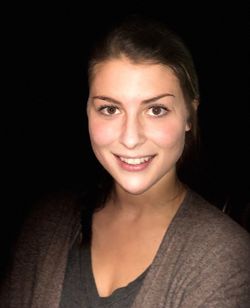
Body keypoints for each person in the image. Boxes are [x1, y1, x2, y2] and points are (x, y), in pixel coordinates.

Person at [1, 14, 250, 308]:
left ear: (188, 115)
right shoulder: (46, 223)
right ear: (87, 111)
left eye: (156, 110)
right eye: (109, 109)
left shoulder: (225, 253)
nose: (130, 138)